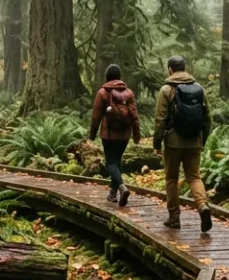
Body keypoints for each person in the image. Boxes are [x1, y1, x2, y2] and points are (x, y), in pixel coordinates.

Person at [152, 55, 212, 231]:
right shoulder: (199, 88)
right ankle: (202, 206)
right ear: (184, 68)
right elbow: (208, 118)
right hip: (194, 141)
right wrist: (203, 139)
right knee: (194, 176)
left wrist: (157, 143)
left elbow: (160, 120)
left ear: (170, 69)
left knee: (171, 179)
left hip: (172, 143)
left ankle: (174, 218)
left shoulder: (166, 90)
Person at [88, 64, 141, 207]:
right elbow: (134, 116)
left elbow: (96, 116)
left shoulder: (103, 93)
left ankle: (122, 187)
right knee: (116, 161)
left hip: (109, 134)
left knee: (110, 162)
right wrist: (136, 135)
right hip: (124, 135)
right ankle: (113, 193)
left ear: (107, 77)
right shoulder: (128, 93)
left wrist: (92, 135)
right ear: (119, 77)